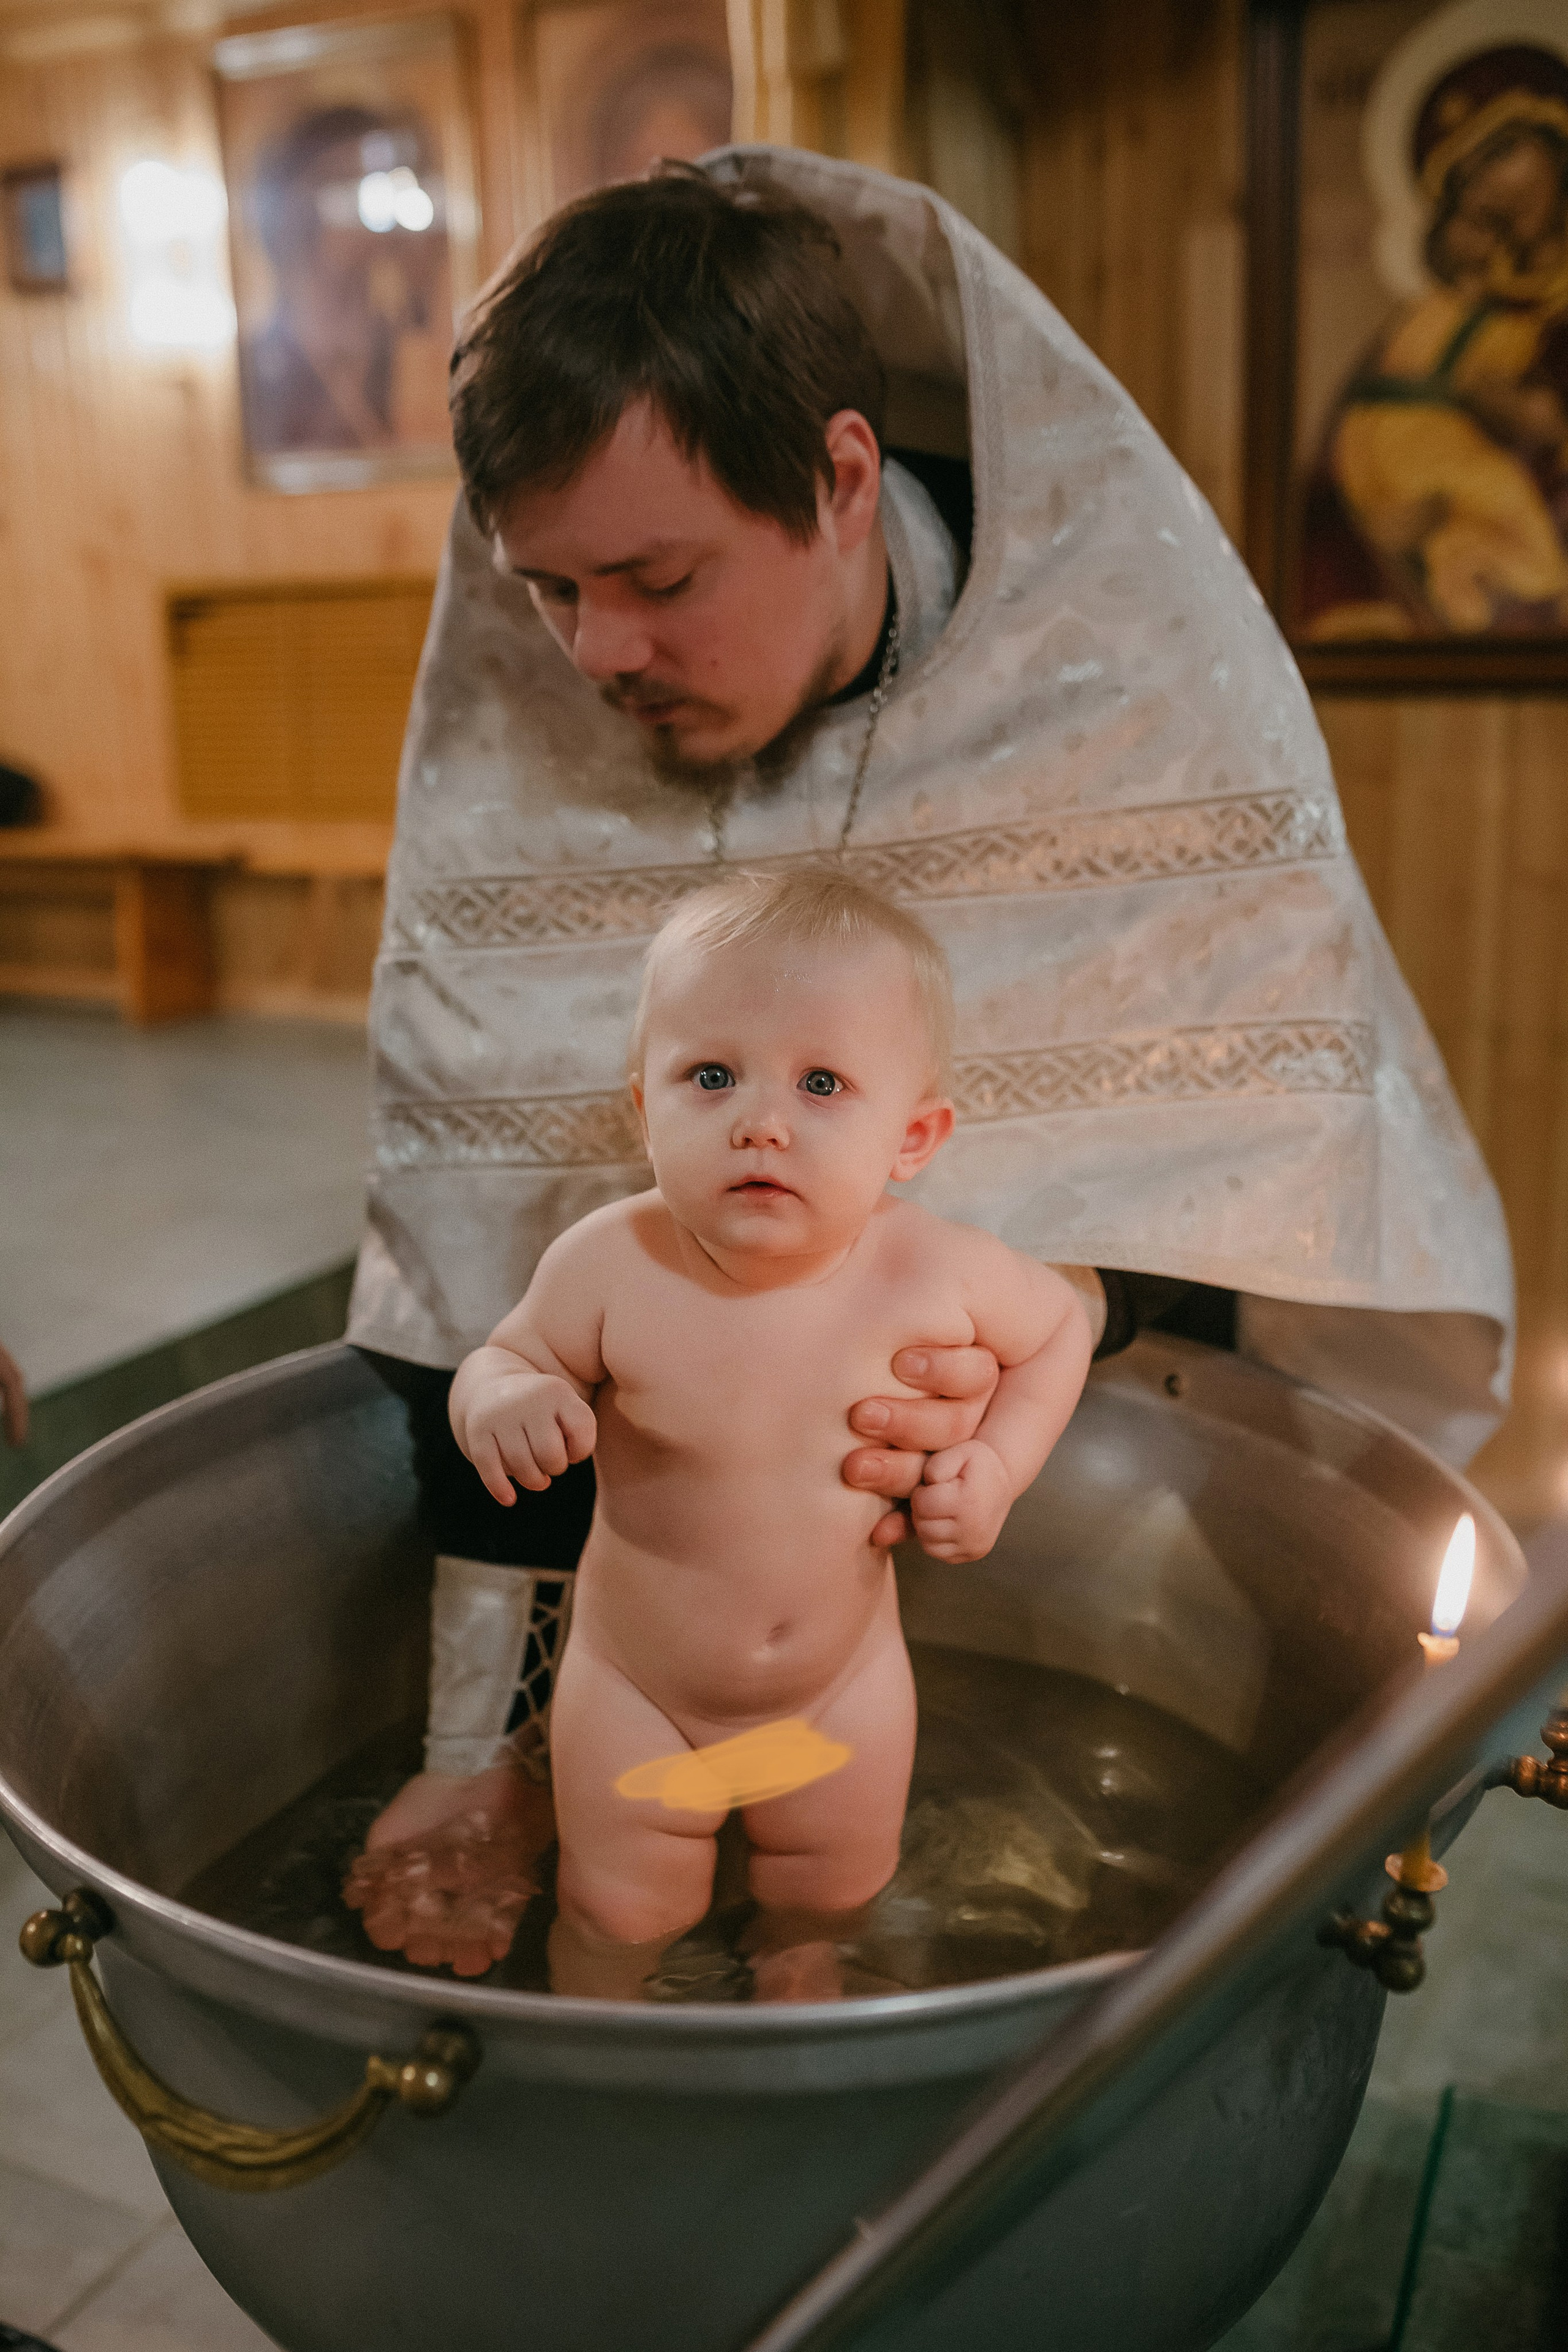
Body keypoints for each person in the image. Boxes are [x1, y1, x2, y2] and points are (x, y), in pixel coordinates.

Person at [345, 152, 1513, 1972]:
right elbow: (477, 1223)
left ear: (839, 480)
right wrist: (462, 1749)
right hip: (639, 1632)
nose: (597, 654)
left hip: (1001, 1565)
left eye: (658, 577)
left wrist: (1056, 1308)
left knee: (848, 1914)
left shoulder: (1112, 684)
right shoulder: (537, 703)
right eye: (551, 588)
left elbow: (1235, 1144)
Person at [416, 872, 1089, 1996]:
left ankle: (797, 1978)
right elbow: (506, 1356)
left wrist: (998, 1465)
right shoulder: (611, 1263)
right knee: (618, 1910)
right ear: (646, 1110)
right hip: (637, 1691)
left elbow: (1059, 1329)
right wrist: (501, 1400)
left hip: (841, 1692)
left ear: (913, 1136)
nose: (761, 1121)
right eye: (713, 1076)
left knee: (831, 1891)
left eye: (822, 1083)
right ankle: (598, 2039)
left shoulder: (936, 1272)